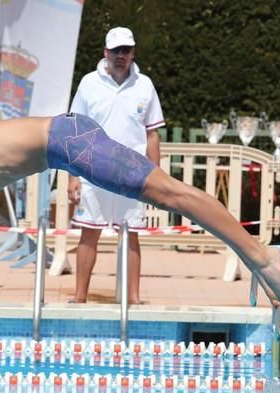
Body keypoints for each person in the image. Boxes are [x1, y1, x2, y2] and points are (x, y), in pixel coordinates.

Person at [0, 113, 280, 360]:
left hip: (67, 143)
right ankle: (260, 259)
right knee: (169, 196)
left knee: (171, 194)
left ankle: (261, 257)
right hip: (66, 144)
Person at [68, 26, 165, 305]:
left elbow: (152, 133)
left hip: (131, 171)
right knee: (89, 231)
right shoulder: (88, 83)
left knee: (131, 233)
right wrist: (73, 176)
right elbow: (75, 132)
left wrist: (155, 177)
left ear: (133, 52)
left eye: (126, 50)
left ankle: (133, 300)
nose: (121, 56)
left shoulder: (144, 85)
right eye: (116, 50)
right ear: (105, 52)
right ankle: (79, 297)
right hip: (92, 169)